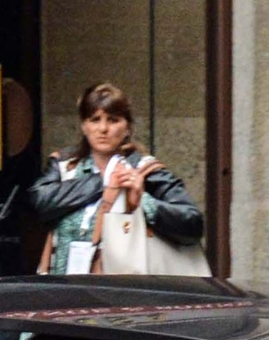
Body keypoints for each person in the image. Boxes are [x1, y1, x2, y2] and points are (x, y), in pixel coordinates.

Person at [28, 82, 203, 275]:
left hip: (124, 291)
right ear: (84, 126)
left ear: (127, 127)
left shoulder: (146, 170)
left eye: (113, 120)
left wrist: (142, 202)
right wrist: (102, 183)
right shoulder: (64, 166)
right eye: (95, 119)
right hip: (65, 289)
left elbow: (193, 224)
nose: (103, 128)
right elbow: (39, 202)